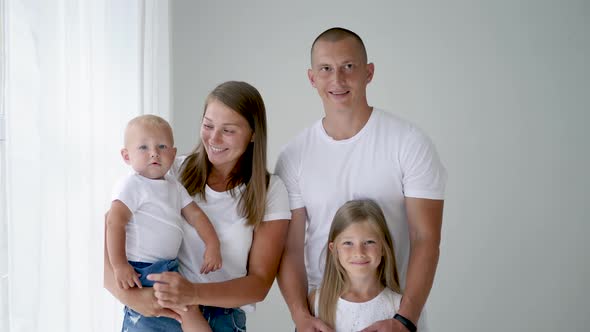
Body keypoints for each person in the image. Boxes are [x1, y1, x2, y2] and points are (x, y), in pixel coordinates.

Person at [275, 27, 447, 332]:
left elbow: (426, 239)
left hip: (395, 317)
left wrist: (405, 319)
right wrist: (301, 317)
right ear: (312, 78)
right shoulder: (294, 156)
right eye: (326, 69)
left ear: (369, 72)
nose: (337, 80)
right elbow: (290, 249)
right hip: (324, 318)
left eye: (348, 67)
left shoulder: (408, 142)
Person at [104, 81, 291, 331]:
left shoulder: (270, 190)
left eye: (229, 130)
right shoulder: (170, 171)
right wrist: (133, 298)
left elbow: (259, 285)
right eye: (208, 125)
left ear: (254, 133)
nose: (214, 138)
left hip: (224, 319)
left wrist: (192, 293)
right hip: (160, 310)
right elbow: (112, 228)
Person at [106, 114, 221, 331]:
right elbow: (114, 223)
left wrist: (213, 244)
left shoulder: (174, 187)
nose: (154, 153)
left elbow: (196, 216)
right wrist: (119, 265)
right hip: (142, 268)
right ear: (126, 156)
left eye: (162, 146)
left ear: (174, 153)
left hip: (169, 267)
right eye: (143, 147)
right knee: (150, 319)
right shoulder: (131, 185)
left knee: (185, 311)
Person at [310, 199, 403, 332]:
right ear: (334, 249)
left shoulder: (399, 307)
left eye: (369, 242)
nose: (359, 252)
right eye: (348, 243)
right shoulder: (317, 301)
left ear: (383, 247)